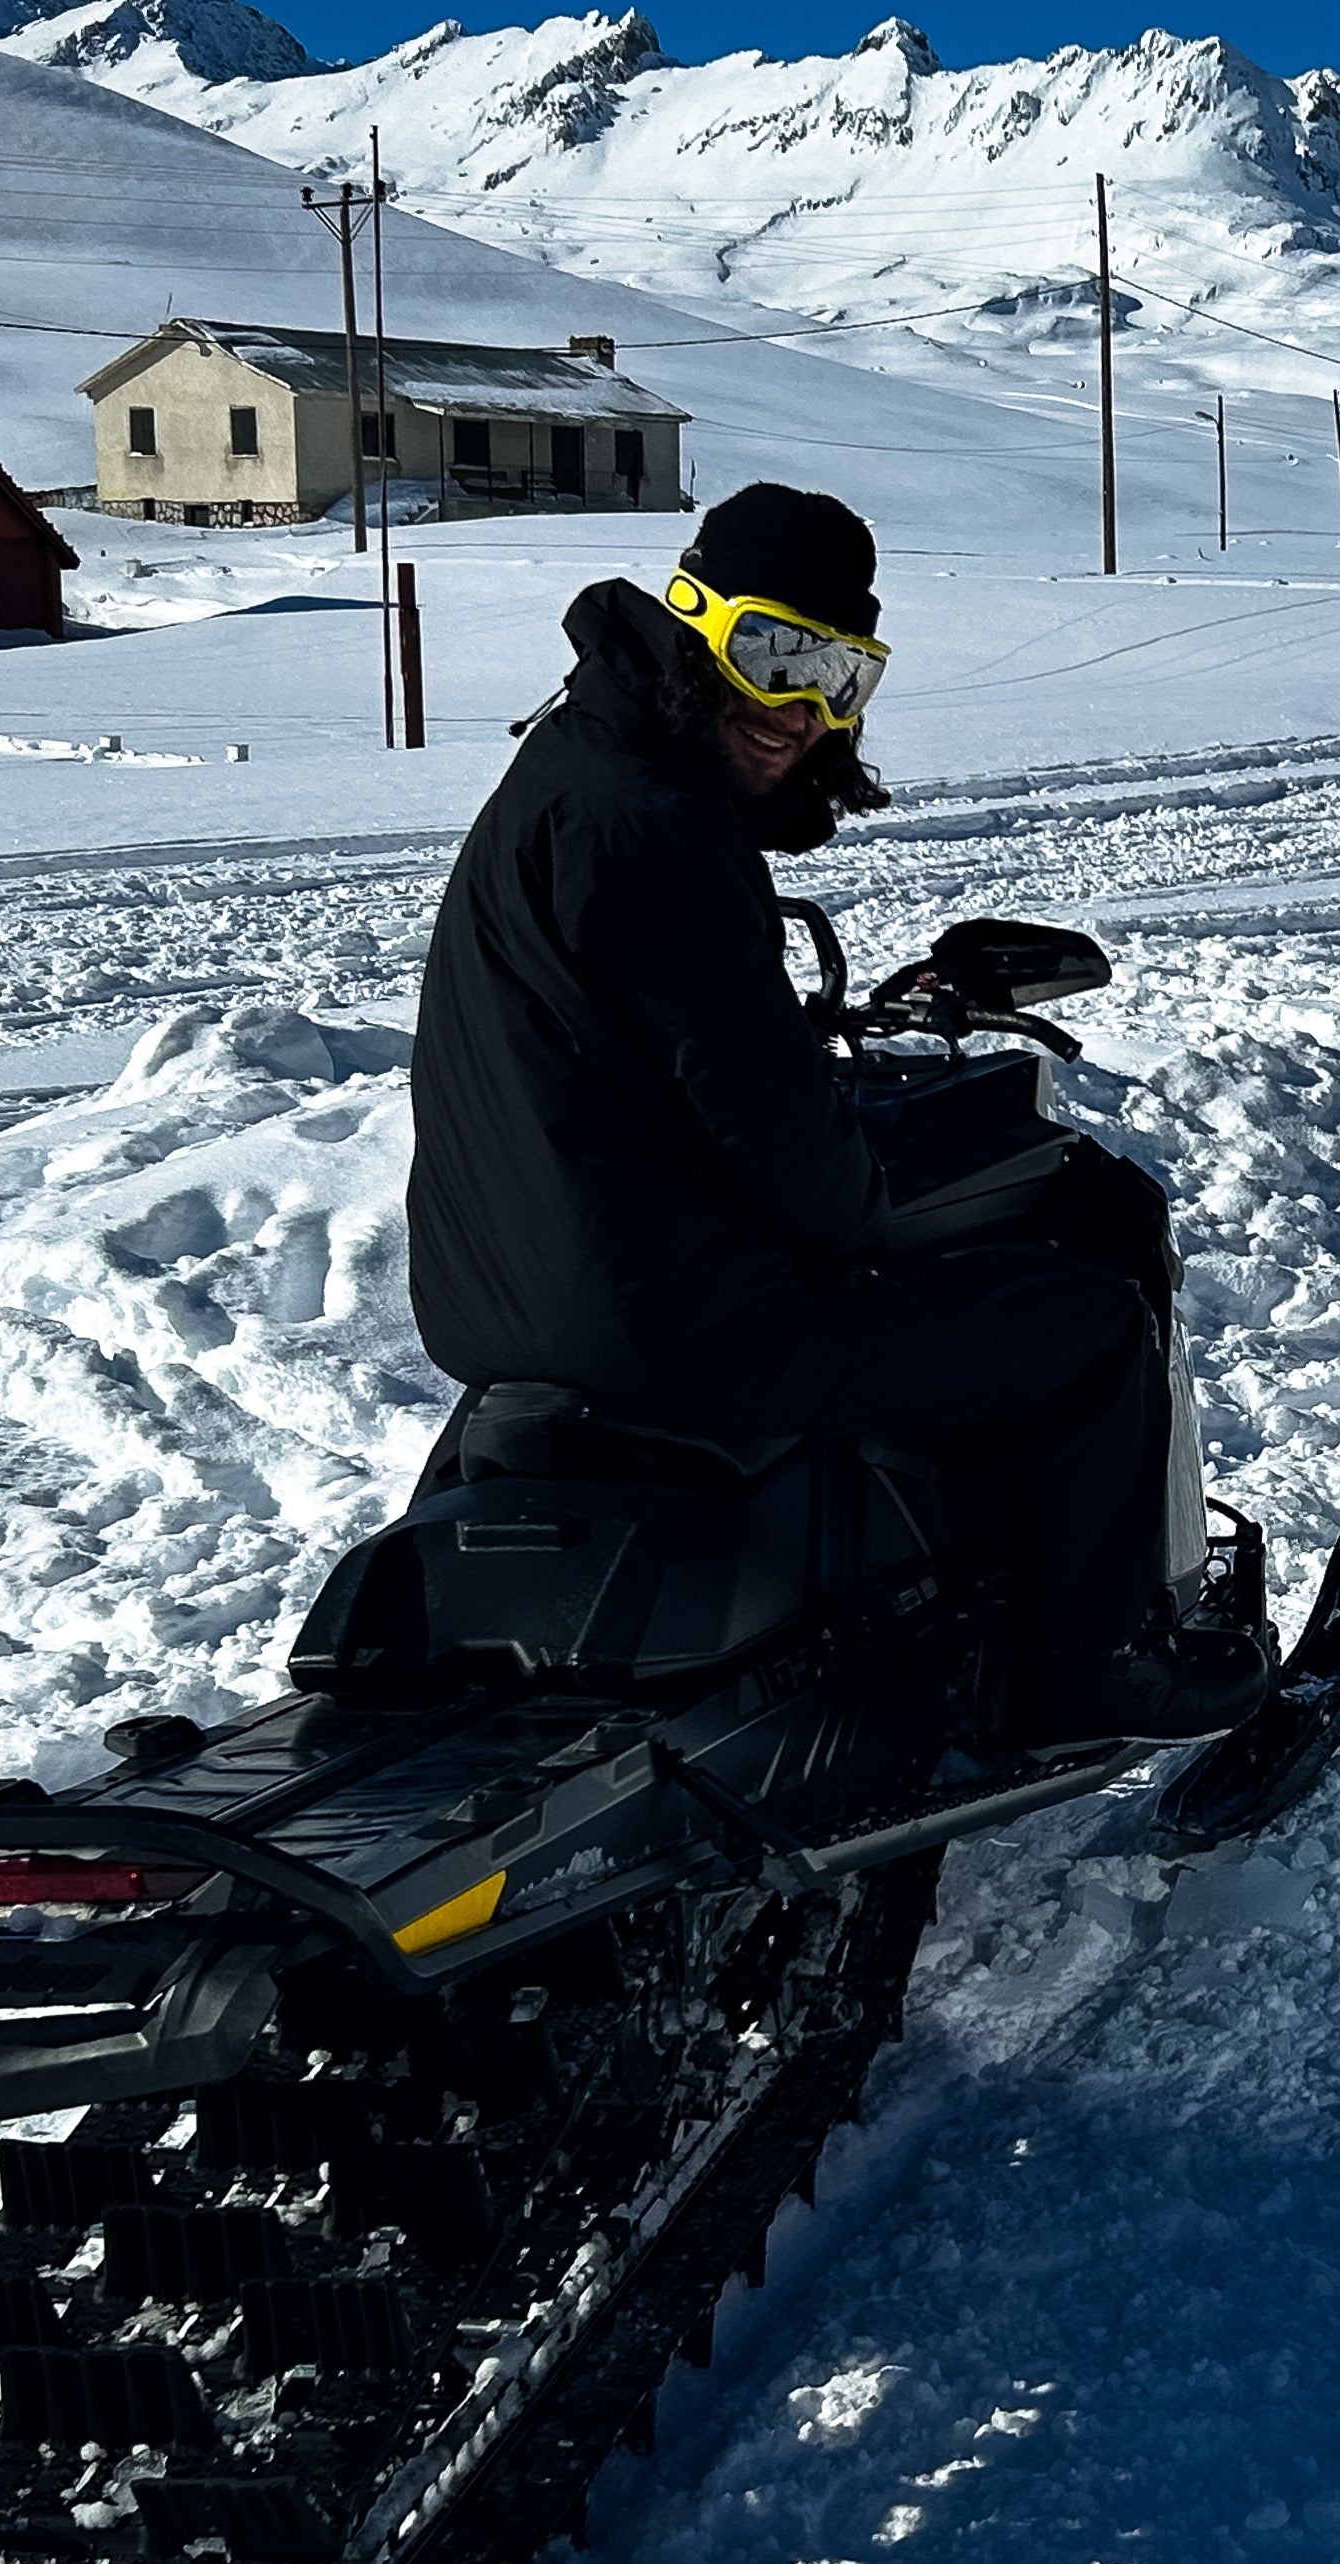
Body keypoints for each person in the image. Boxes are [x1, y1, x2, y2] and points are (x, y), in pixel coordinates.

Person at [402, 482, 1271, 1750]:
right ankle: (1092, 1667)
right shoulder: (660, 828)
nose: (799, 711)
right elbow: (813, 1178)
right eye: (775, 653)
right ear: (697, 620)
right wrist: (877, 1167)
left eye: (840, 678)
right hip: (670, 1323)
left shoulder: (574, 768)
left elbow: (656, 1051)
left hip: (509, 1309)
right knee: (1082, 1325)